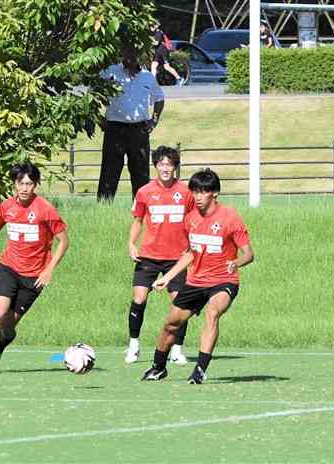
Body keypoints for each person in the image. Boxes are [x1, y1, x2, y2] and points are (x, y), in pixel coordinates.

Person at [141, 168, 254, 383]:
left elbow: (249, 254)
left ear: (215, 193)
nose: (198, 197)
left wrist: (236, 262)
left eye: (203, 192)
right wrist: (168, 276)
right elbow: (191, 253)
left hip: (223, 280)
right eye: (195, 192)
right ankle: (158, 367)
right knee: (170, 325)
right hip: (195, 281)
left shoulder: (230, 218)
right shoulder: (190, 219)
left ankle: (200, 370)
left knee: (212, 313)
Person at [0, 161, 69, 374]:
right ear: (14, 184)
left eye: (29, 183)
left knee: (8, 325)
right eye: (21, 183)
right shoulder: (6, 207)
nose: (25, 188)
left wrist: (49, 269)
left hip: (34, 277)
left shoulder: (45, 209)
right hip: (8, 268)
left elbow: (64, 241)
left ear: (35, 185)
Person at [125, 146, 195, 365]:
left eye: (170, 164)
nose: (165, 168)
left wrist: (192, 248)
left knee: (180, 305)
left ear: (175, 167)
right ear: (155, 166)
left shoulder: (186, 193)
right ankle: (134, 346)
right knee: (139, 299)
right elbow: (137, 221)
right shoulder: (144, 192)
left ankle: (176, 350)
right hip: (149, 256)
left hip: (177, 258)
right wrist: (131, 244)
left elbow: (194, 222)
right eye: (161, 164)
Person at [97, 45, 165, 202]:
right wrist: (98, 118)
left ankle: (140, 210)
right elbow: (92, 93)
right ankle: (103, 209)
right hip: (114, 129)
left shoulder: (147, 76)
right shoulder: (111, 72)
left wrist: (154, 120)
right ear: (122, 52)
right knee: (109, 172)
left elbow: (159, 98)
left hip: (139, 130)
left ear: (139, 55)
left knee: (140, 174)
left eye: (134, 53)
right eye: (127, 51)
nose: (130, 56)